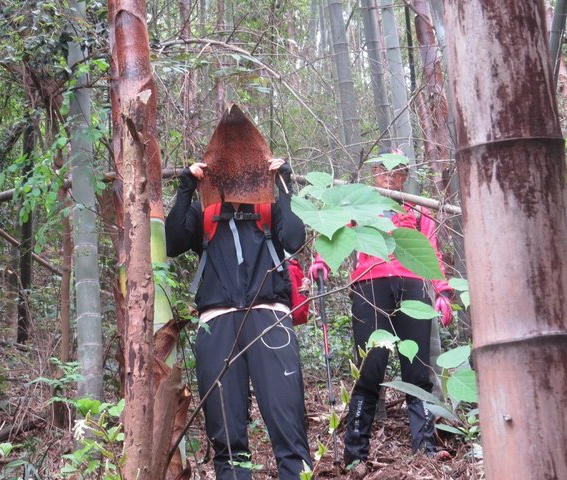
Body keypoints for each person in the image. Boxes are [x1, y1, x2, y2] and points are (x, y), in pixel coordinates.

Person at [166, 157, 313, 480]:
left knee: (288, 428)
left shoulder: (268, 208)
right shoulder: (203, 214)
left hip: (269, 318)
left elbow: (293, 239)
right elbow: (173, 243)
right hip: (217, 322)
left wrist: (283, 185)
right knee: (227, 440)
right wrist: (186, 188)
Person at [312, 151, 454, 467]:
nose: (389, 176)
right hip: (370, 286)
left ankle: (426, 449)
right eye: (382, 169)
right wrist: (321, 262)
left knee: (417, 372)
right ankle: (355, 454)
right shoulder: (359, 202)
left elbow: (432, 252)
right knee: (370, 369)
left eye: (397, 170)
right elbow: (335, 231)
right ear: (373, 172)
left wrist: (442, 292)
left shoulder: (419, 208)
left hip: (414, 286)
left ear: (405, 175)